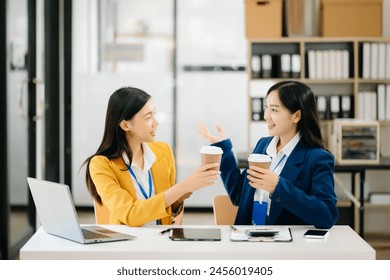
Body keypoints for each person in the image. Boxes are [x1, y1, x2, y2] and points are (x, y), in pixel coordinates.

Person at [199, 80, 338, 229]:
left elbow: (327, 215)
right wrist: (224, 149)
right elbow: (238, 194)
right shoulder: (263, 146)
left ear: (296, 116)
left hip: (286, 246)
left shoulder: (317, 157)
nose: (266, 116)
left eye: (274, 110)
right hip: (249, 239)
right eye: (266, 108)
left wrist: (278, 187)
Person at [83, 87, 220, 227]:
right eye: (148, 117)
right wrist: (183, 186)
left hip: (161, 240)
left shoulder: (163, 151)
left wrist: (177, 200)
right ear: (125, 125)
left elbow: (167, 208)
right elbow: (130, 215)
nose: (156, 122)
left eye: (154, 114)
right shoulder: (101, 164)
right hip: (127, 244)